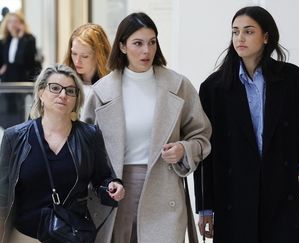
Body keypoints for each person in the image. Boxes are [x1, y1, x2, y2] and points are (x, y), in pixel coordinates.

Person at [193, 6, 299, 243]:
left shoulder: (294, 80)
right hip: (233, 198)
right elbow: (206, 152)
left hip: (283, 193)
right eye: (235, 32)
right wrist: (205, 208)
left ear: (266, 36)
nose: (240, 38)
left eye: (248, 31)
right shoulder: (213, 88)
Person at [82, 12, 212, 243]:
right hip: (116, 191)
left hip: (164, 189)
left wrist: (183, 149)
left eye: (152, 42)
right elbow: (86, 149)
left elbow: (201, 136)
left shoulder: (178, 86)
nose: (146, 51)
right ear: (122, 46)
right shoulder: (102, 92)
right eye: (138, 43)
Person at [0, 64, 125, 243]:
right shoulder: (15, 137)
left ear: (76, 100)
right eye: (55, 88)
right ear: (41, 93)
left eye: (70, 91)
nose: (63, 95)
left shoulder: (89, 135)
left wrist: (112, 187)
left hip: (70, 236)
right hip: (25, 236)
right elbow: (2, 194)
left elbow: (102, 178)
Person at [63, 23, 111, 97]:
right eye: (74, 54)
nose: (77, 61)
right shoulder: (63, 81)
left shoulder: (113, 85)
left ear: (99, 56)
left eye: (84, 56)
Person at [0, 12, 40, 82]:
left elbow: (24, 60)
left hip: (24, 76)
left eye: (15, 21)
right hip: (7, 77)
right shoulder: (4, 41)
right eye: (9, 21)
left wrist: (21, 38)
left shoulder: (29, 39)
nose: (12, 24)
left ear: (21, 23)